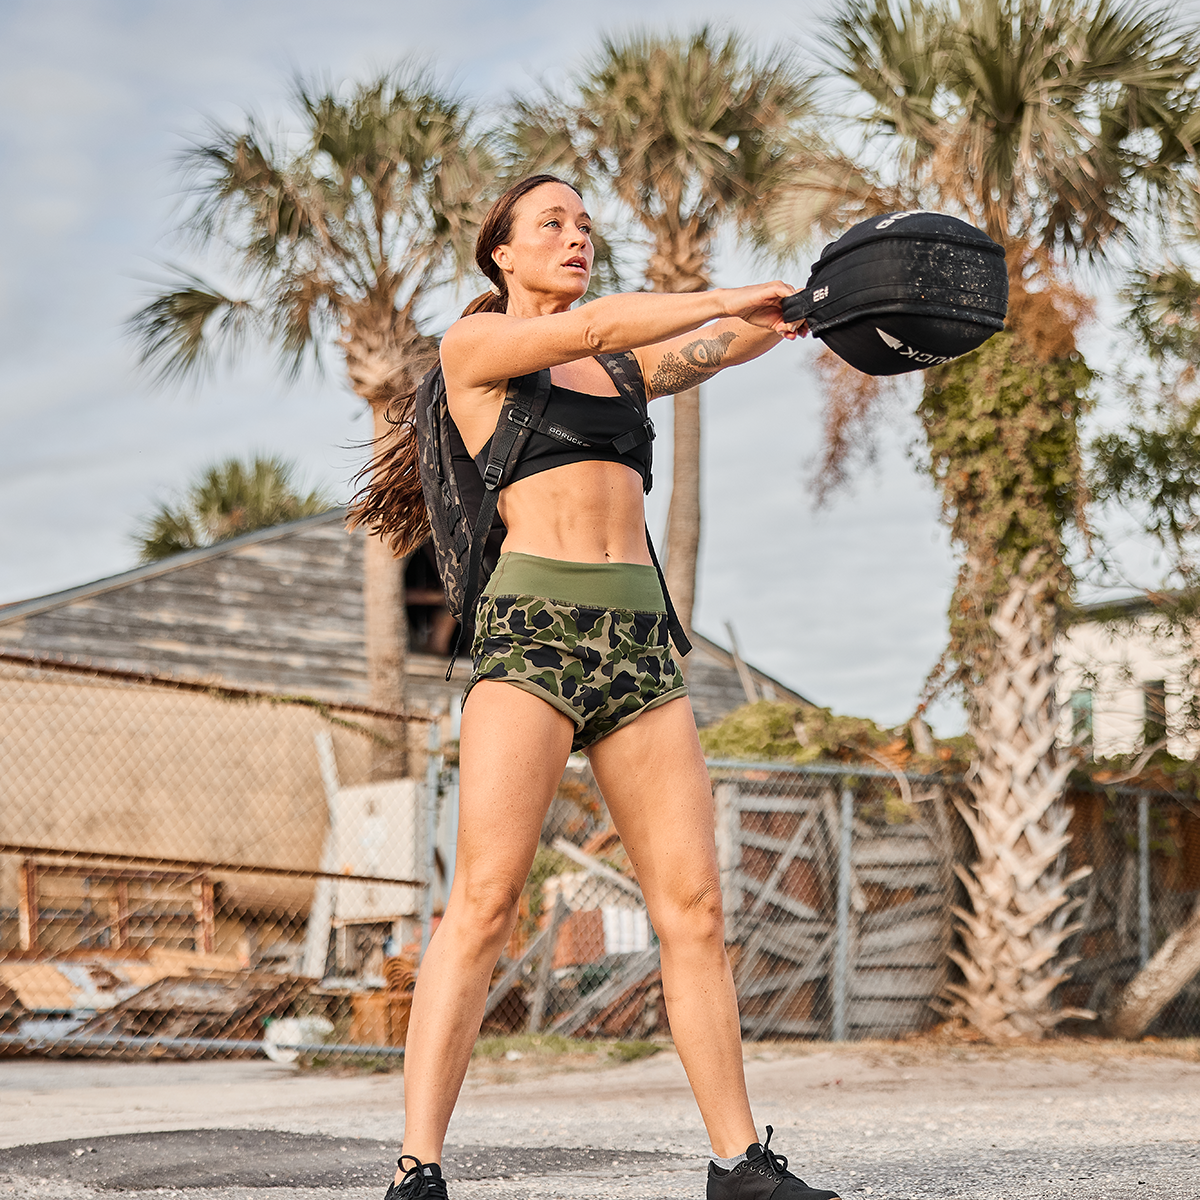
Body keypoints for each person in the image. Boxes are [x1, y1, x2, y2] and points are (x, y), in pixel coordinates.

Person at [354, 174, 840, 1200]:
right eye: (553, 225)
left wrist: (801, 310)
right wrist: (715, 295)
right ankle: (418, 1169)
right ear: (504, 256)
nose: (577, 238)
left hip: (638, 650)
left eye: (584, 225)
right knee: (483, 906)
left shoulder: (619, 373)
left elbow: (710, 348)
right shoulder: (473, 350)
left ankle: (737, 1162)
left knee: (695, 908)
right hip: (533, 639)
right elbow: (622, 322)